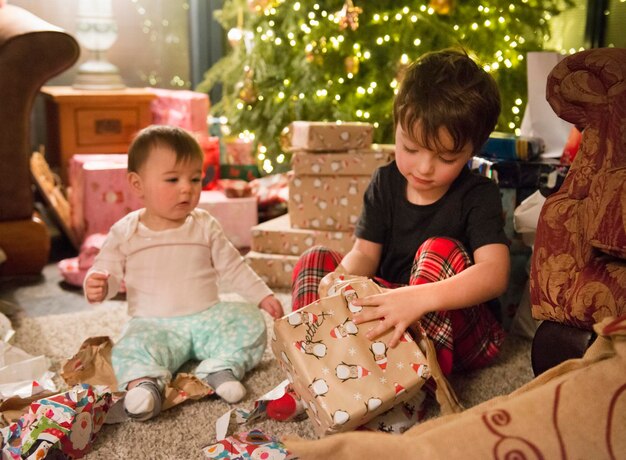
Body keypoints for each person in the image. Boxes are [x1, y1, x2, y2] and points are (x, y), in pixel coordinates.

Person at [292, 49, 510, 377]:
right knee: (316, 262)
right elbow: (365, 253)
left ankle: (419, 383)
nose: (424, 168)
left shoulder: (479, 194)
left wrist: (419, 299)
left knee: (440, 249)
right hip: (392, 316)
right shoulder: (385, 181)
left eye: (447, 158)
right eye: (410, 148)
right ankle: (314, 371)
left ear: (471, 152)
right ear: (396, 127)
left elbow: (495, 274)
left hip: (458, 328)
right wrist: (338, 279)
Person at [84, 125, 283, 421]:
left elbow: (232, 265)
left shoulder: (204, 224)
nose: (186, 188)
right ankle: (145, 384)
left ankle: (220, 367)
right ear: (138, 185)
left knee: (250, 321)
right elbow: (108, 271)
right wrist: (99, 283)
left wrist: (261, 295)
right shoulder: (127, 230)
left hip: (206, 316)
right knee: (129, 347)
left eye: (194, 179)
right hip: (154, 324)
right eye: (173, 179)